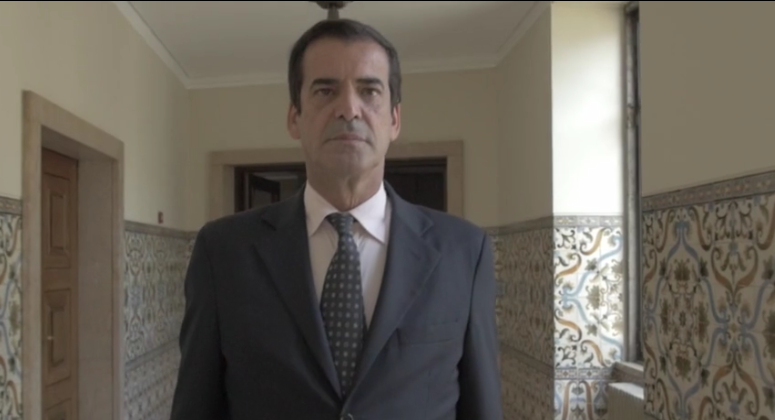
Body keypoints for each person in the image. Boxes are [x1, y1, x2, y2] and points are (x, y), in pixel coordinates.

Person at [169, 17, 502, 420]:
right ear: (294, 117)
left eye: (369, 91)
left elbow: (482, 407)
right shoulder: (223, 252)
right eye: (325, 91)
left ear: (394, 120)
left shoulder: (464, 252)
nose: (348, 108)